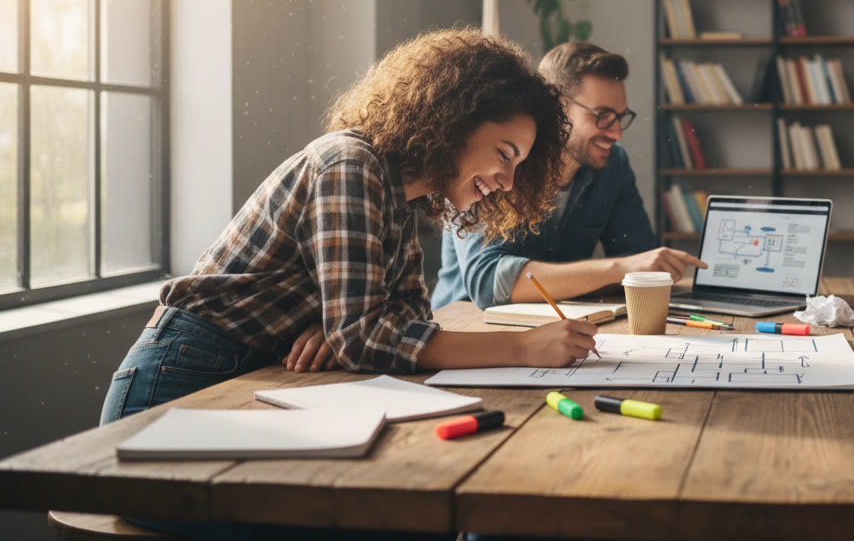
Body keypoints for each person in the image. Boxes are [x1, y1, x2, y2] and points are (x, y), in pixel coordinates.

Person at [101, 27, 596, 426]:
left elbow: (406, 314)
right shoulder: (350, 165)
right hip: (179, 382)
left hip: (254, 374)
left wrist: (334, 327)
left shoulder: (402, 193)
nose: (509, 182)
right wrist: (524, 346)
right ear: (456, 122)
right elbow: (365, 337)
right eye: (505, 155)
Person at [433, 41, 706, 310]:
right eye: (602, 115)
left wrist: (629, 268)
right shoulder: (500, 164)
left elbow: (641, 264)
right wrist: (618, 269)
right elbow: (489, 283)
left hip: (560, 323)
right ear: (557, 106)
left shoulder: (613, 165)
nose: (617, 133)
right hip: (468, 326)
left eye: (621, 117)